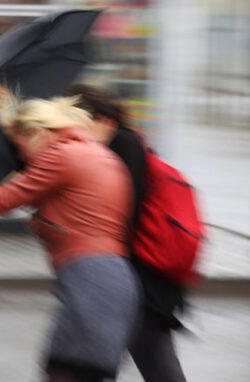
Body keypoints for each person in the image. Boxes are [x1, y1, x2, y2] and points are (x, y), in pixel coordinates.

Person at [0, 96, 141, 382]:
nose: (22, 157)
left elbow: (5, 199)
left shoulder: (63, 155)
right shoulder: (97, 154)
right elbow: (84, 215)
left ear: (38, 133)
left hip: (90, 275)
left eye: (20, 146)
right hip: (113, 277)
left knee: (64, 372)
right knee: (78, 372)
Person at [66, 84, 187, 382]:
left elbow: (122, 214)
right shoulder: (109, 148)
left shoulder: (124, 145)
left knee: (150, 362)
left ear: (104, 120)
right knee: (98, 361)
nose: (73, 132)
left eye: (79, 123)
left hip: (142, 277)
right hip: (130, 274)